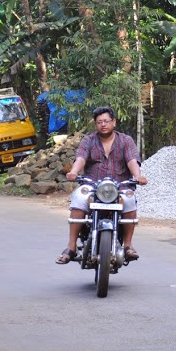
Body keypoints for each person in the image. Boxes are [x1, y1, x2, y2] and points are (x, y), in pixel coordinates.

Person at [56, 106, 148, 264]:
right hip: (93, 185)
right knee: (79, 197)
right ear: (95, 124)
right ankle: (71, 247)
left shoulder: (125, 140)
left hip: (120, 186)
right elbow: (81, 158)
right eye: (99, 122)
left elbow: (132, 160)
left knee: (129, 199)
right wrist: (74, 171)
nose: (103, 124)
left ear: (114, 122)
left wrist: (138, 176)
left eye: (106, 121)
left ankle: (128, 245)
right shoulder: (88, 140)